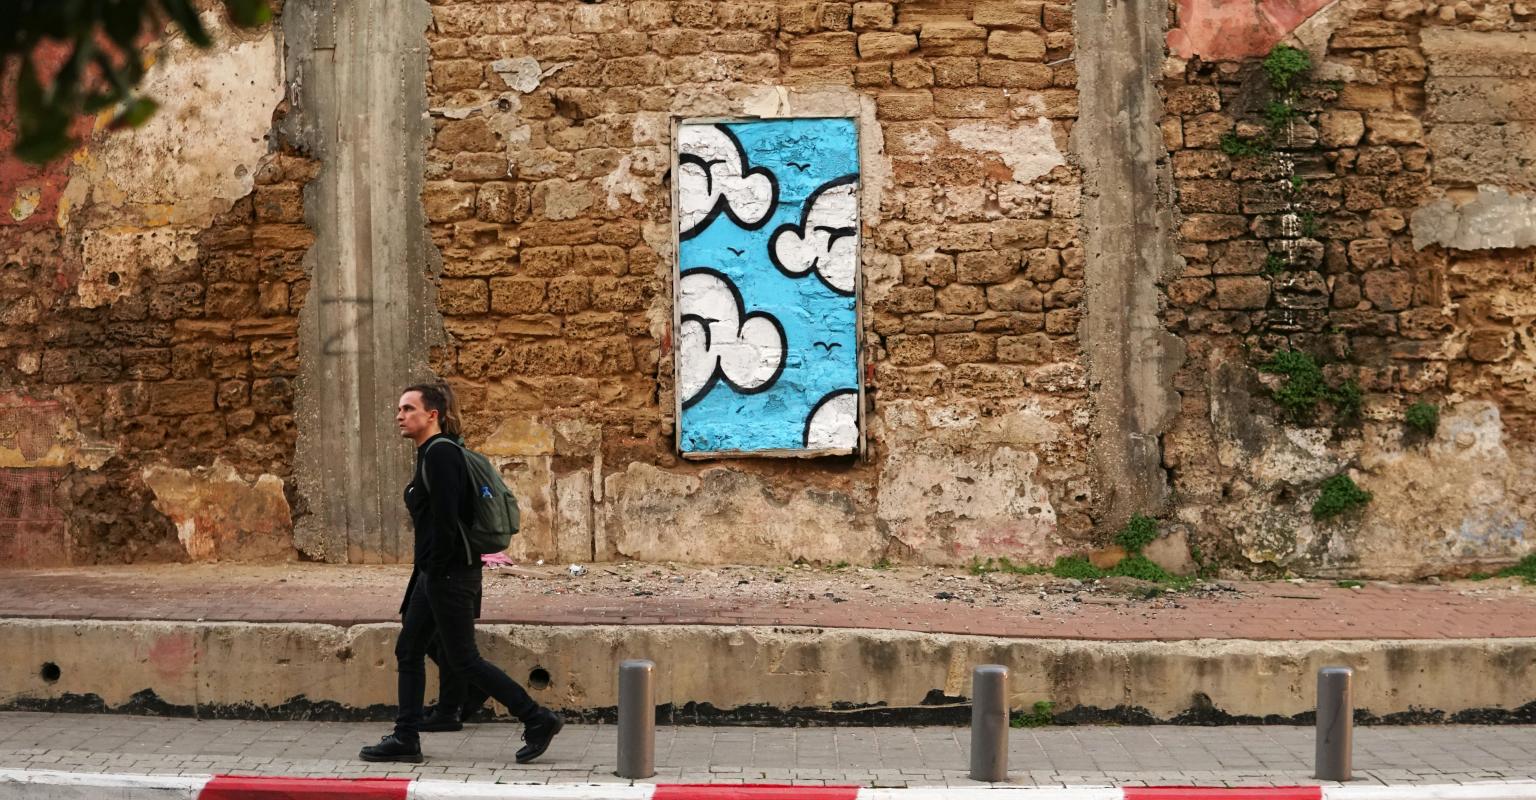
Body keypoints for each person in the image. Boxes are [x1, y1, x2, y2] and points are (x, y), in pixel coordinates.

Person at [360, 383, 562, 764]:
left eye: (408, 408)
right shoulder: (429, 454)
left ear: (431, 414)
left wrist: (435, 573)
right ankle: (406, 737)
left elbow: (447, 522)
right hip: (434, 572)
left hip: (448, 573)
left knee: (465, 658)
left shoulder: (441, 456)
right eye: (399, 409)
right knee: (409, 648)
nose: (399, 416)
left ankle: (537, 718)